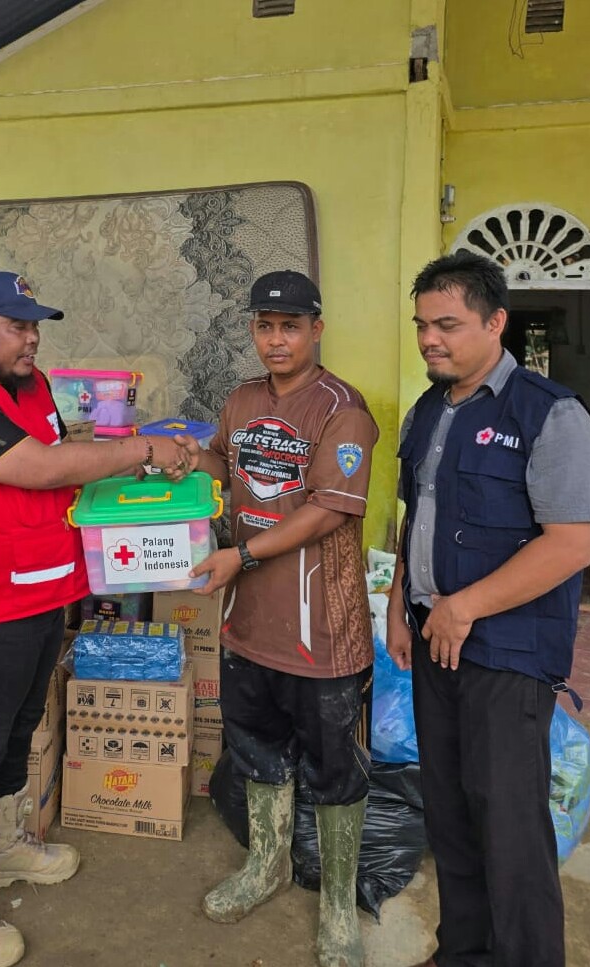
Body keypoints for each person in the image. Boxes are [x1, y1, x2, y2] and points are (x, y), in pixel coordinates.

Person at [0, 269, 190, 967]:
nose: (32, 338)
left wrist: (131, 465)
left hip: (38, 590)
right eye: (17, 326)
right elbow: (40, 466)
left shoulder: (29, 387)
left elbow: (66, 460)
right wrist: (142, 448)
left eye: (35, 325)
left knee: (17, 724)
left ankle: (4, 843)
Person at [386, 252, 590, 967]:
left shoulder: (549, 413)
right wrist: (399, 604)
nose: (428, 339)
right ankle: (465, 953)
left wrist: (463, 606)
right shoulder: (426, 411)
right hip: (432, 643)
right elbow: (411, 518)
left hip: (507, 652)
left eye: (446, 324)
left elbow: (570, 546)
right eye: (421, 324)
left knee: (509, 827)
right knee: (448, 815)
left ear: (495, 322)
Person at [177, 270, 378, 967]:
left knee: (333, 770)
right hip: (246, 626)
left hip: (319, 630)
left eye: (289, 325)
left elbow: (328, 509)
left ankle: (335, 905)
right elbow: (222, 467)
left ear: (315, 329)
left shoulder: (340, 409)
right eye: (264, 325)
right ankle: (266, 866)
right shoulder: (239, 399)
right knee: (259, 752)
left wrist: (243, 554)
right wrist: (180, 454)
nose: (275, 338)